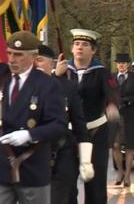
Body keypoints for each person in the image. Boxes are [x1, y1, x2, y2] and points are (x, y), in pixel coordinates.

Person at [0, 31, 68, 204]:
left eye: (18, 55)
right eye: (9, 53)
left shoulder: (47, 85)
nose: (12, 59)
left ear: (33, 57)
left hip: (32, 167)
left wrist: (30, 135)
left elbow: (59, 125)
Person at [55, 28, 119, 204]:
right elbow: (49, 93)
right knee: (66, 185)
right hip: (69, 134)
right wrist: (56, 76)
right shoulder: (63, 70)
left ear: (93, 50)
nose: (80, 48)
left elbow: (112, 92)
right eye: (76, 44)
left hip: (95, 132)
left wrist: (112, 105)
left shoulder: (101, 72)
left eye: (84, 45)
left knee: (95, 185)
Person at [34, 45, 93, 204]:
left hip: (60, 155)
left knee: (62, 198)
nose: (35, 64)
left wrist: (85, 160)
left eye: (39, 60)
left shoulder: (66, 87)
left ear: (52, 64)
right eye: (32, 60)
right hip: (31, 156)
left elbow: (79, 125)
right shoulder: (19, 87)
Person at [112, 53, 134, 187]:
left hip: (131, 116)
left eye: (123, 63)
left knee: (130, 147)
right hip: (115, 116)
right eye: (118, 63)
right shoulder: (111, 78)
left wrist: (128, 101)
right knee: (115, 145)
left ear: (128, 64)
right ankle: (120, 172)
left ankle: (127, 176)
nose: (120, 65)